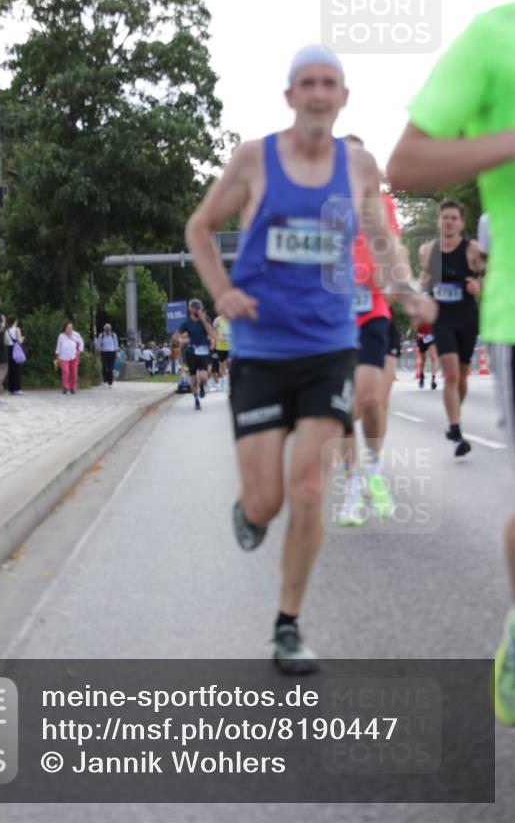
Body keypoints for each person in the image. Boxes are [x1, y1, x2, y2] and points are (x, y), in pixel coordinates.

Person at [186, 44, 434, 672]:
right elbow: (199, 227)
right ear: (290, 96)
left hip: (330, 347)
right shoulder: (253, 159)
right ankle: (250, 510)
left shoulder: (358, 167)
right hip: (262, 350)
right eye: (307, 82)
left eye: (330, 82)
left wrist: (406, 291)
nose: (319, 92)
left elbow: (379, 241)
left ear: (343, 96)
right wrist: (222, 292)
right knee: (267, 500)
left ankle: (288, 624)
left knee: (307, 489)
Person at [387, 1, 515, 726]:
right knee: (454, 374)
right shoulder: (493, 37)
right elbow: (406, 161)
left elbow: (476, 258)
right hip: (507, 317)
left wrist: (472, 275)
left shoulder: (466, 244)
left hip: (475, 303)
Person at [337, 136, 402, 527]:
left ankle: (372, 468)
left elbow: (391, 249)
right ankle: (351, 483)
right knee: (347, 405)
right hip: (333, 319)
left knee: (373, 400)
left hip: (373, 311)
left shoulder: (383, 206)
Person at [418, 199, 482, 455]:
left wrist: (478, 287)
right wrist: (422, 294)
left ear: (461, 222)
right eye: (445, 217)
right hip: (441, 317)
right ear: (439, 221)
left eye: (454, 218)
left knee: (462, 378)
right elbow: (424, 279)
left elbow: (486, 274)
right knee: (452, 375)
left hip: (467, 316)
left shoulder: (472, 248)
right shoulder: (428, 250)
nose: (449, 222)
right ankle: (455, 429)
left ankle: (454, 418)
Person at [174, 299, 216, 411]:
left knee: (203, 376)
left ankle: (202, 386)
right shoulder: (186, 322)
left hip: (204, 351)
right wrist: (180, 339)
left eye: (199, 308)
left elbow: (212, 334)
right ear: (190, 309)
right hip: (191, 352)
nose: (198, 310)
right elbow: (177, 336)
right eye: (195, 308)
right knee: (193, 379)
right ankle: (196, 399)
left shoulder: (206, 319)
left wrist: (203, 320)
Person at [56, 321, 84, 394]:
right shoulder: (61, 336)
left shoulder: (76, 335)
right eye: (68, 328)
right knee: (65, 371)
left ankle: (73, 387)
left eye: (71, 328)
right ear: (65, 329)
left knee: (74, 373)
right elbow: (58, 347)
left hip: (74, 357)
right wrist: (58, 357)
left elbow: (81, 343)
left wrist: (79, 351)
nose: (70, 329)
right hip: (64, 357)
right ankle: (65, 387)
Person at [5, 315, 25, 396]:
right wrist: (22, 339)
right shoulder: (17, 329)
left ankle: (11, 389)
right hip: (16, 349)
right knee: (17, 369)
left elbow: (5, 342)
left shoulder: (6, 330)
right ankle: (18, 389)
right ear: (15, 321)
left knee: (11, 370)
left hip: (9, 350)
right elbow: (19, 341)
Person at [416, 323, 438, 390]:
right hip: (421, 337)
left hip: (432, 336)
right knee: (423, 359)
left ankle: (433, 380)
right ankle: (422, 376)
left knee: (434, 358)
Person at [213, 312, 232, 391]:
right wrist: (219, 338)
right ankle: (222, 384)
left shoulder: (233, 319)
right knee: (222, 366)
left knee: (230, 364)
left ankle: (230, 384)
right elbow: (213, 334)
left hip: (231, 346)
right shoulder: (217, 320)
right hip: (220, 347)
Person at [96, 323, 119, 387]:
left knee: (111, 368)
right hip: (104, 353)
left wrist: (116, 353)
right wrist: (99, 354)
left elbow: (116, 344)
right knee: (105, 367)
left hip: (112, 353)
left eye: (109, 329)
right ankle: (105, 380)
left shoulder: (113, 335)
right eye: (106, 329)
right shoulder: (102, 335)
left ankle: (110, 382)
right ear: (104, 330)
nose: (108, 331)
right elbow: (99, 345)